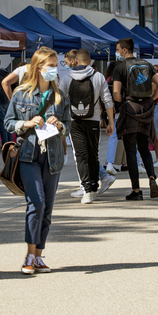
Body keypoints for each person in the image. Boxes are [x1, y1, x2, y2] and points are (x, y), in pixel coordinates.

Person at [3, 47, 72, 274]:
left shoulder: (60, 95)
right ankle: (30, 254)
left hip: (53, 157)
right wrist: (26, 124)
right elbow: (8, 123)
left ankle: (40, 255)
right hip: (27, 156)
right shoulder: (21, 93)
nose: (54, 70)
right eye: (50, 66)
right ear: (38, 67)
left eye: (55, 66)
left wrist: (60, 125)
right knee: (37, 202)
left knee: (48, 208)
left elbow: (68, 125)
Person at [58, 49, 115, 204]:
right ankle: (94, 187)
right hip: (94, 120)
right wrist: (110, 122)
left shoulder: (66, 77)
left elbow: (60, 100)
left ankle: (87, 190)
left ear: (75, 61)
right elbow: (107, 100)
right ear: (90, 61)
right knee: (93, 154)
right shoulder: (98, 76)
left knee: (80, 155)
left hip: (74, 120)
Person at [111, 38, 158, 200]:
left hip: (130, 109)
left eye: (118, 49)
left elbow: (116, 93)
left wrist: (120, 106)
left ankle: (136, 190)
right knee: (144, 148)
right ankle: (152, 178)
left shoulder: (119, 67)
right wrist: (151, 100)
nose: (117, 52)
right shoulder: (147, 64)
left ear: (124, 50)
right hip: (146, 110)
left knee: (131, 152)